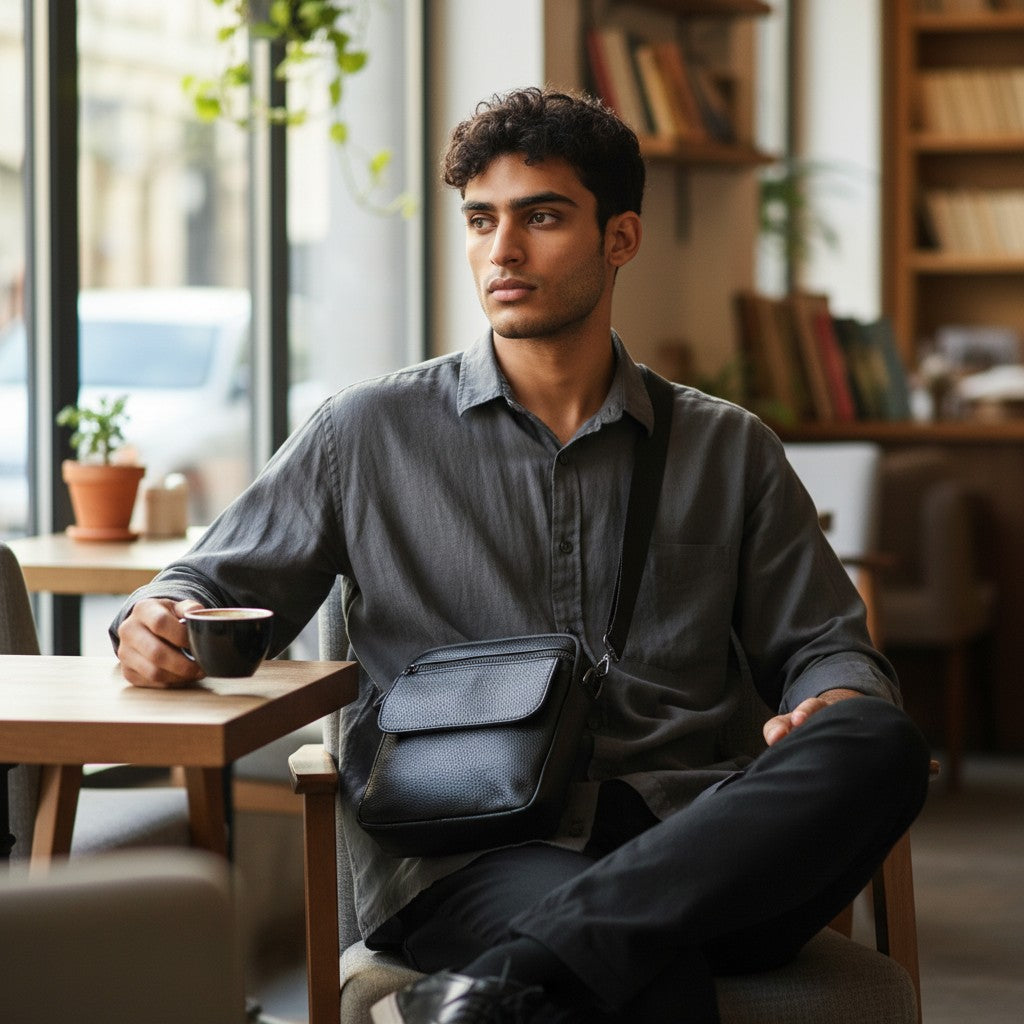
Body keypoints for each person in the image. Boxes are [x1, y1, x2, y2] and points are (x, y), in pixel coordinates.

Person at [112, 87, 931, 1024]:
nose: (502, 251)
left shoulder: (726, 446)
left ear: (619, 239)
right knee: (639, 977)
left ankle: (493, 990)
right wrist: (155, 618)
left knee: (878, 736)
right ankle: (533, 972)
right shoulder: (366, 432)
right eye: (481, 221)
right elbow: (206, 583)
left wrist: (833, 694)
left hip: (702, 836)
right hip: (473, 855)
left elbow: (823, 641)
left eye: (541, 217)